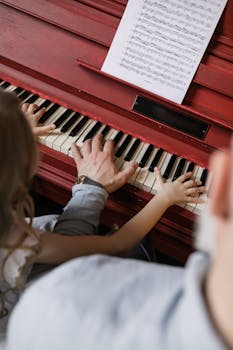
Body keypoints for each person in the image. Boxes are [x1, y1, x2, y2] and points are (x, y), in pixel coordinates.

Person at [0, 90, 203, 346]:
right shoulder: (14, 238)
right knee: (135, 254)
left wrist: (15, 141)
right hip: (23, 327)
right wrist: (165, 197)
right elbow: (116, 243)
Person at [5, 145, 233, 348]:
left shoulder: (35, 308)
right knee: (141, 242)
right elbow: (117, 245)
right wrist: (165, 197)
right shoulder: (49, 291)